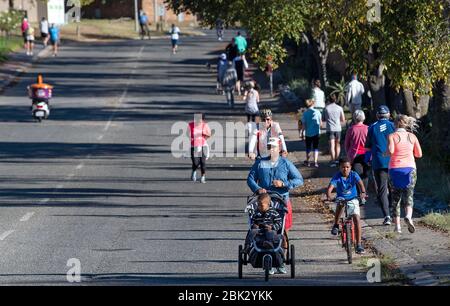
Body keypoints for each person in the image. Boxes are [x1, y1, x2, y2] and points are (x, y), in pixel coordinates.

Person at [247, 137, 303, 273]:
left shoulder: (286, 163)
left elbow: (299, 179)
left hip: (281, 201)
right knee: (262, 228)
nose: (272, 150)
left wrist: (284, 184)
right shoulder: (261, 163)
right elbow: (250, 178)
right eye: (270, 147)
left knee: (282, 231)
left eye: (274, 147)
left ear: (279, 148)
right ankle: (267, 260)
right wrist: (257, 189)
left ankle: (280, 261)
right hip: (265, 201)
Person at [387, 115, 422, 234]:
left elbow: (391, 151)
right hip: (410, 169)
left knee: (395, 198)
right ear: (406, 124)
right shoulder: (412, 136)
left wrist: (385, 152)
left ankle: (397, 227)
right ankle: (408, 216)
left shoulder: (392, 136)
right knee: (409, 195)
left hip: (395, 169)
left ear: (395, 124)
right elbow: (419, 154)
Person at [327, 157, 367, 254]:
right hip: (341, 198)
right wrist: (329, 195)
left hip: (353, 198)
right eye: (343, 167)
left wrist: (363, 192)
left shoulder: (354, 175)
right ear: (339, 168)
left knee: (357, 219)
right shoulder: (337, 176)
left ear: (350, 167)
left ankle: (358, 244)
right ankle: (336, 225)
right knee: (339, 206)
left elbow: (360, 183)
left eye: (347, 167)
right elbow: (330, 187)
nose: (345, 169)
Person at [365, 105, 395, 225]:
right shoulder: (393, 125)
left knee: (382, 189)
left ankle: (387, 216)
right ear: (388, 115)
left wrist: (367, 159)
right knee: (394, 187)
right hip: (393, 161)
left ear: (377, 115)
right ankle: (394, 212)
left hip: (378, 161)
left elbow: (367, 147)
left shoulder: (372, 127)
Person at [245, 193, 283, 274]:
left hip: (270, 229)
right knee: (251, 231)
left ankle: (269, 244)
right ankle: (247, 246)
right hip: (259, 231)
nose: (259, 207)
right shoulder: (257, 213)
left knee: (270, 233)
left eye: (261, 205)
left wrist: (272, 227)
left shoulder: (274, 213)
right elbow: (254, 221)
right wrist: (255, 225)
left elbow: (279, 223)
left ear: (268, 204)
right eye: (258, 205)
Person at [344, 110, 370, 196]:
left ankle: (359, 194)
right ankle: (364, 193)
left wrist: (348, 154)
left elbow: (346, 144)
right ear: (364, 118)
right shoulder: (368, 128)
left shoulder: (351, 129)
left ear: (354, 118)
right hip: (366, 154)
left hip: (354, 155)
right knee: (365, 175)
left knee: (357, 176)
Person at [322, 93, 345, 167]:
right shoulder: (339, 108)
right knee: (337, 144)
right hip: (338, 128)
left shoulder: (326, 108)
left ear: (329, 100)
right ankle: (337, 159)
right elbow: (343, 119)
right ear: (336, 100)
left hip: (330, 129)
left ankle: (333, 161)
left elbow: (323, 119)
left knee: (331, 145)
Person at [189, 113, 211, 183]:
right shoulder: (191, 125)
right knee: (195, 163)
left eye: (200, 119)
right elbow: (187, 134)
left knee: (203, 162)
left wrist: (204, 135)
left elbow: (209, 134)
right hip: (194, 145)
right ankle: (194, 171)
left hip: (203, 145)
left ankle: (202, 177)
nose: (198, 121)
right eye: (197, 119)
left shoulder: (205, 125)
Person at [302, 99, 321, 168]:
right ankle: (315, 162)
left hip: (308, 133)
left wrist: (302, 133)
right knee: (315, 147)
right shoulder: (318, 112)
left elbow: (303, 125)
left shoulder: (305, 113)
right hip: (316, 132)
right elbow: (321, 124)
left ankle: (308, 161)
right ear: (313, 104)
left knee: (308, 148)